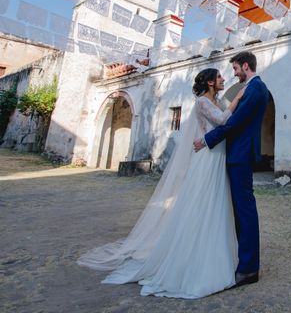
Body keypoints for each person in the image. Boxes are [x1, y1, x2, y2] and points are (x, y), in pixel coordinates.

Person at [78, 68, 245, 299]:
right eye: (219, 78)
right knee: (202, 202)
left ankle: (217, 254)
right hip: (208, 157)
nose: (223, 79)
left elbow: (228, 118)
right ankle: (192, 257)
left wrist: (233, 102)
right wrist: (238, 98)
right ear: (209, 82)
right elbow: (223, 120)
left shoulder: (217, 99)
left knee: (217, 203)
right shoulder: (202, 102)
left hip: (218, 156)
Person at [194, 51, 269, 288]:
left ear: (245, 66)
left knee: (244, 210)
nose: (233, 73)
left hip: (240, 155)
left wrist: (207, 140)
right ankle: (240, 260)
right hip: (236, 154)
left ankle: (248, 269)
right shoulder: (250, 88)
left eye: (235, 68)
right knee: (238, 210)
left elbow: (234, 123)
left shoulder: (255, 88)